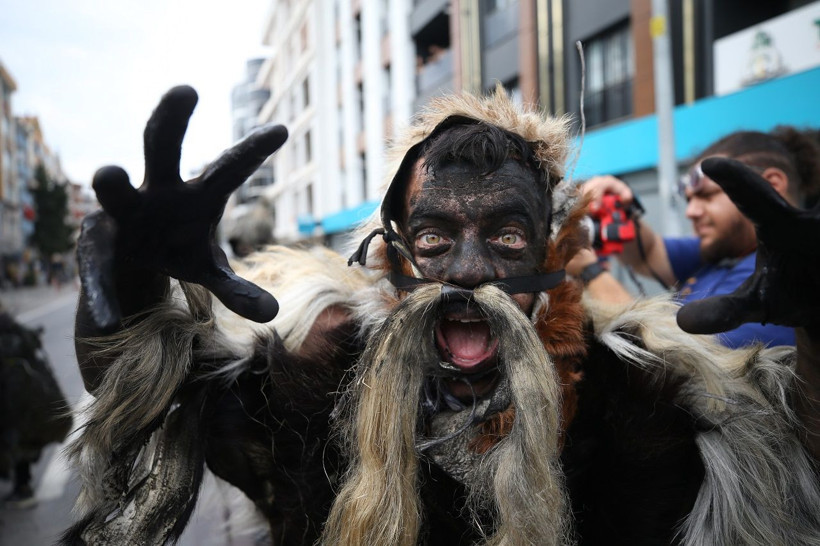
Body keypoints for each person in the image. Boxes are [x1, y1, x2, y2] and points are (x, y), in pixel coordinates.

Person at [64, 86, 820, 545]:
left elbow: (796, 472)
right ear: (392, 253)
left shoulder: (642, 399)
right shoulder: (318, 374)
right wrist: (133, 280)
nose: (467, 272)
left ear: (552, 248)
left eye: (507, 236)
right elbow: (145, 396)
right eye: (434, 239)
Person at [572, 127, 820, 348]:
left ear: (772, 185)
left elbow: (674, 362)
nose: (690, 211)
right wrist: (620, 206)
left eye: (707, 196)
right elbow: (649, 251)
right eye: (689, 199)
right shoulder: (722, 250)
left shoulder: (788, 278)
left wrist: (589, 270)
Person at [0, 301, 73, 509]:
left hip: (15, 402)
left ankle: (22, 488)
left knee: (15, 436)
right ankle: (22, 485)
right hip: (24, 401)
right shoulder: (14, 330)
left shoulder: (9, 338)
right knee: (19, 437)